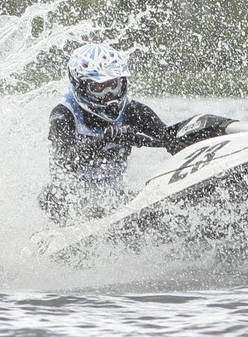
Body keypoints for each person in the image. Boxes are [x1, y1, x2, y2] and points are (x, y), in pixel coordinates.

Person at [39, 43, 175, 224]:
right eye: (98, 88)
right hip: (70, 203)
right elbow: (66, 160)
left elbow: (169, 137)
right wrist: (104, 140)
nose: (109, 95)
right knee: (48, 197)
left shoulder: (132, 110)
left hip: (113, 199)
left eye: (113, 85)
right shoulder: (63, 114)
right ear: (80, 87)